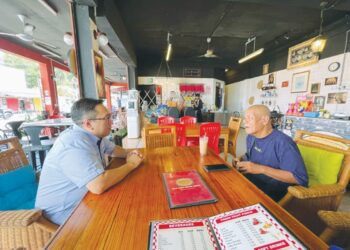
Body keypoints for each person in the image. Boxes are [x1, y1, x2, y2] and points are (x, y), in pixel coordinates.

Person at [35, 98, 143, 225]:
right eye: (107, 118)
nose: (111, 121)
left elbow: (113, 149)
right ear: (88, 124)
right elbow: (98, 185)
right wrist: (132, 164)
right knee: (130, 215)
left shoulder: (93, 135)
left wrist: (130, 153)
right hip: (63, 215)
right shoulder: (73, 143)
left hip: (87, 200)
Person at [234, 105, 307, 202]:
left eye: (250, 118)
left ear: (264, 120)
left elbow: (299, 178)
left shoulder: (283, 143)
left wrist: (260, 169)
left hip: (275, 193)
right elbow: (250, 156)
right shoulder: (251, 137)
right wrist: (240, 159)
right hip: (252, 184)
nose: (244, 121)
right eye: (245, 118)